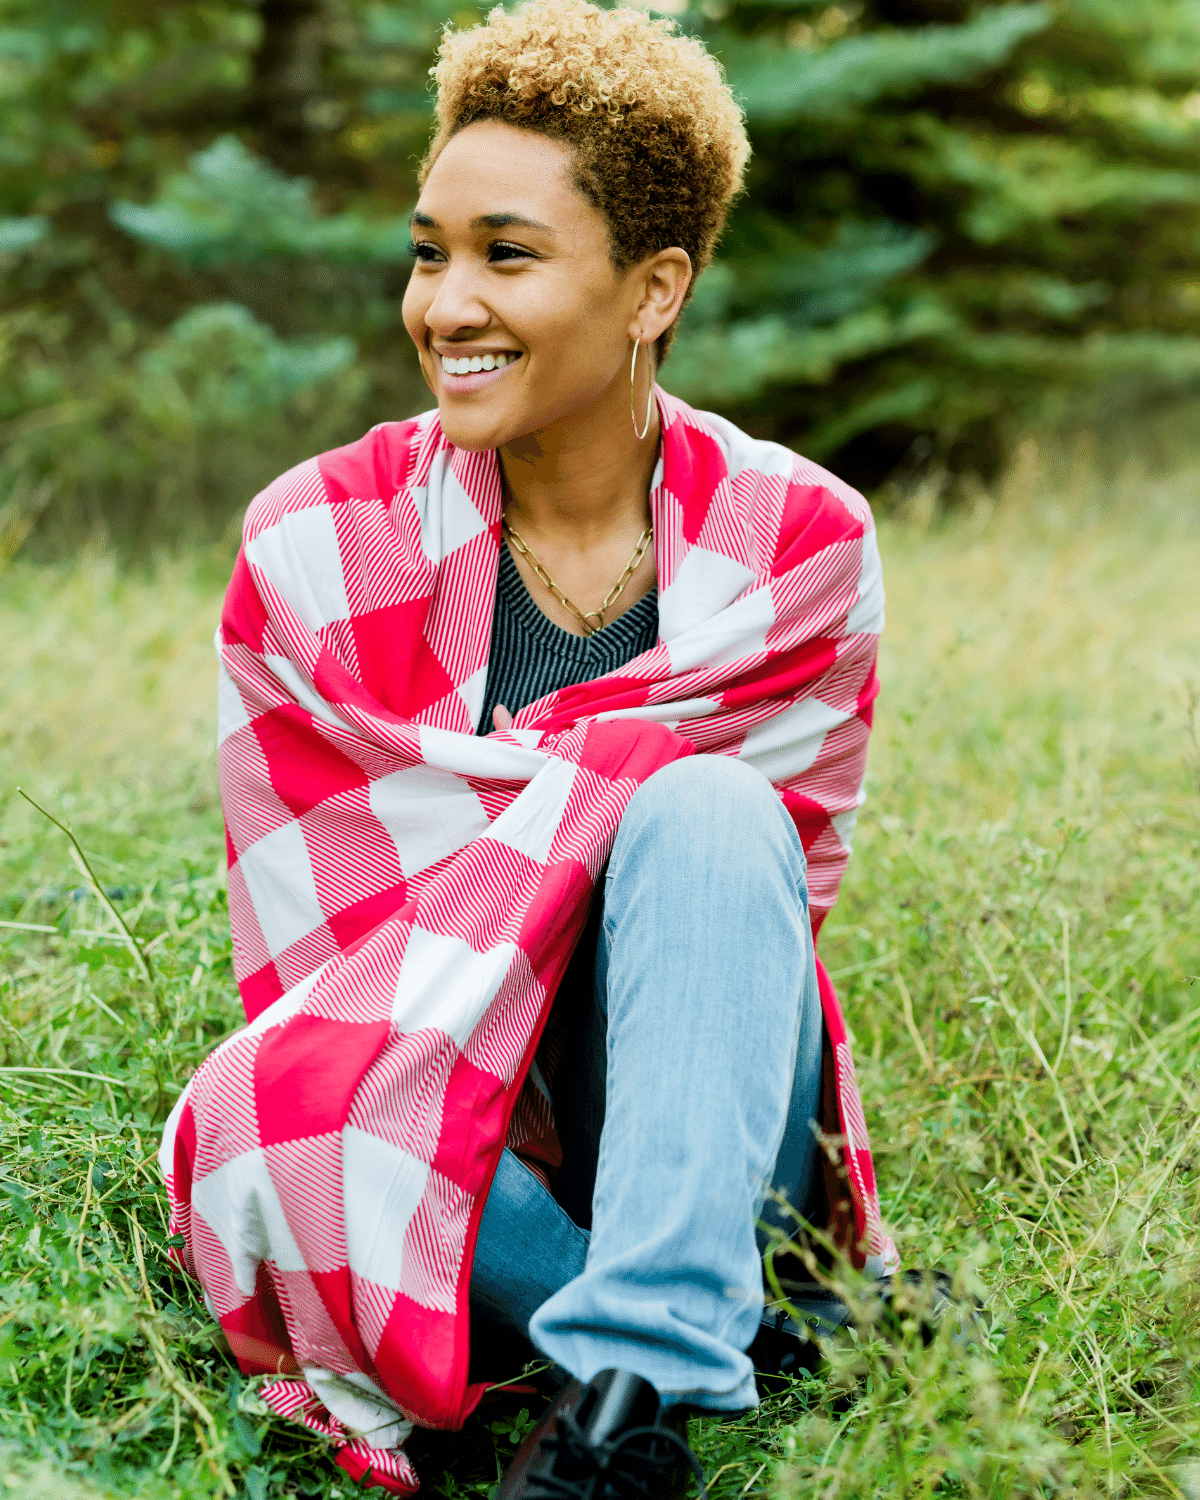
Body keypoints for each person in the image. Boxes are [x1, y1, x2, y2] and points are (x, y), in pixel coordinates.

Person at [159, 3, 895, 1495]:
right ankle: (698, 1335)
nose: (445, 305)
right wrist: (576, 803)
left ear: (653, 289)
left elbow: (752, 923)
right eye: (430, 251)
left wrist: (595, 802)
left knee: (702, 813)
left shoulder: (799, 542)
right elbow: (328, 976)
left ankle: (624, 1389)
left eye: (508, 254)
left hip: (686, 1094)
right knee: (255, 1115)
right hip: (438, 1095)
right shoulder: (318, 541)